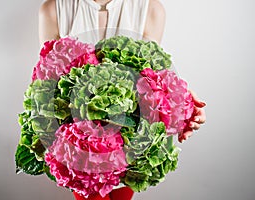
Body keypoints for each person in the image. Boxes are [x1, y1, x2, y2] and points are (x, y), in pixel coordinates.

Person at [38, 0, 206, 199]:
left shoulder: (151, 9)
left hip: (128, 140)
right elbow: (45, 84)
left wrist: (182, 100)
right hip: (81, 144)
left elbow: (151, 72)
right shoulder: (53, 10)